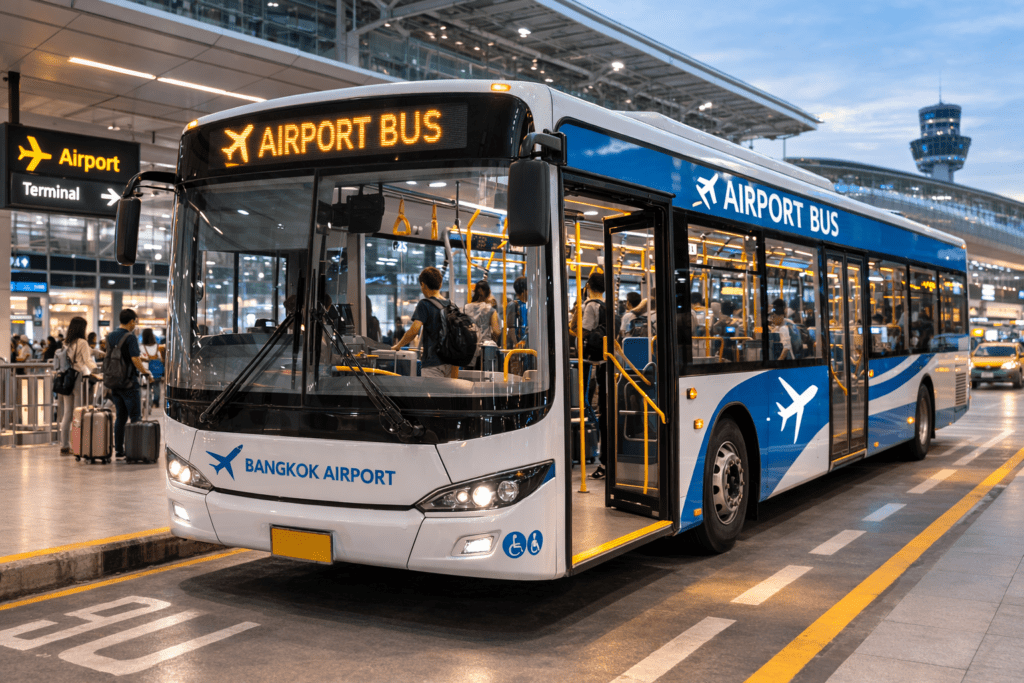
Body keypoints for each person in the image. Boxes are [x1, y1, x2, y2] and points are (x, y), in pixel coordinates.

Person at [105, 309, 152, 459]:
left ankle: (119, 451)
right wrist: (145, 372)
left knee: (120, 417)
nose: (135, 325)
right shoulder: (130, 338)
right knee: (135, 417)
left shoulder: (110, 336)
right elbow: (134, 359)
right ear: (131, 321)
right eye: (135, 322)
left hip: (114, 382)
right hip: (129, 383)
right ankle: (135, 450)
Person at [391, 267, 451, 378]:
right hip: (451, 363)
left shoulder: (425, 304)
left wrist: (398, 346)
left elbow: (414, 331)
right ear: (440, 284)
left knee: (432, 395)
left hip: (433, 364)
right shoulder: (451, 305)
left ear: (423, 284)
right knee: (447, 395)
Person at [580, 271, 609, 480]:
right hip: (607, 361)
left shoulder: (591, 306)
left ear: (589, 285)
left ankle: (603, 462)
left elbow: (583, 331)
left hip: (595, 363)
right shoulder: (607, 305)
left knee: (598, 410)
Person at [57, 317, 97, 455]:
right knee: (78, 412)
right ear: (82, 328)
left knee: (67, 412)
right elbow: (87, 360)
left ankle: (64, 444)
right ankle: (76, 445)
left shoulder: (66, 343)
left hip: (66, 378)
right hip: (78, 378)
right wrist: (95, 369)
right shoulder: (82, 342)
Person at [465, 280, 501, 367]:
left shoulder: (466, 308)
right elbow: (496, 331)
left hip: (469, 350)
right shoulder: (491, 310)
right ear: (488, 293)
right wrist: (493, 338)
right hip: (485, 351)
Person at [140, 328, 164, 408]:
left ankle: (149, 403)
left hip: (147, 370)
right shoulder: (156, 346)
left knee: (148, 386)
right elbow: (160, 357)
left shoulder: (142, 347)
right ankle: (156, 402)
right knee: (157, 386)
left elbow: (140, 358)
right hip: (157, 370)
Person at [505, 276, 529, 348]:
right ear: (523, 291)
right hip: (517, 346)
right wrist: (517, 344)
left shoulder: (528, 305)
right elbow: (511, 328)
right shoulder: (513, 305)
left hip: (526, 344)